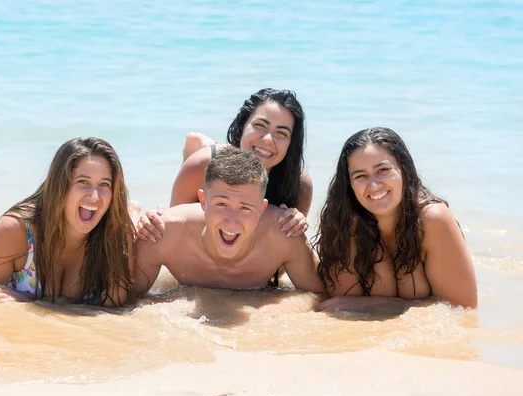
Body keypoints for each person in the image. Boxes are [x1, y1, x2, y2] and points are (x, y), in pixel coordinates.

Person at [314, 127, 477, 310]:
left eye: (383, 170)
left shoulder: (432, 221)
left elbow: (462, 308)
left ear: (403, 169)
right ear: (349, 185)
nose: (374, 185)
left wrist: (382, 303)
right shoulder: (344, 221)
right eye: (360, 176)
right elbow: (340, 302)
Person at [134, 146, 326, 296]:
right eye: (221, 204)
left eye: (245, 208)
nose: (231, 222)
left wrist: (280, 307)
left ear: (261, 209)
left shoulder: (284, 233)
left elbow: (321, 295)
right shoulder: (161, 231)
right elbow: (124, 298)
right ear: (203, 201)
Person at [0, 137, 135, 306]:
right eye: (83, 182)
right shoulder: (16, 230)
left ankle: (132, 210)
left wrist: (26, 303)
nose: (94, 196)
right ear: (59, 184)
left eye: (104, 184)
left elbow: (115, 313)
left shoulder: (117, 234)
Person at [137, 88, 313, 242]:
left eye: (281, 133)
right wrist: (151, 223)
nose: (267, 139)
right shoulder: (200, 166)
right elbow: (173, 237)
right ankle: (195, 146)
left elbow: (281, 266)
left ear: (291, 144)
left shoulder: (298, 184)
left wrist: (293, 229)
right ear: (242, 125)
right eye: (260, 125)